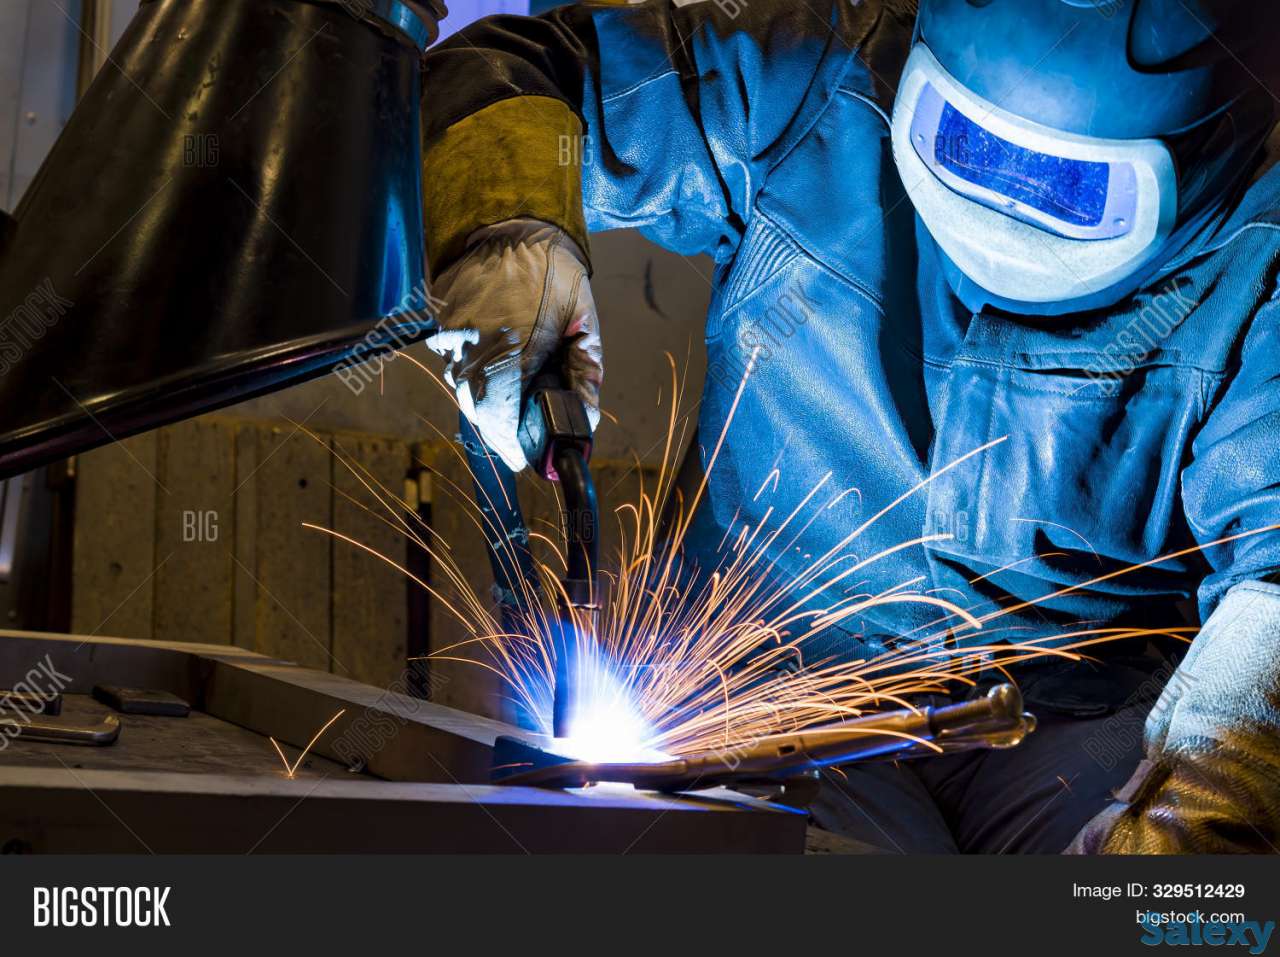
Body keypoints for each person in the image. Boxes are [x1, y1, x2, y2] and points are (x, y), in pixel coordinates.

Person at [421, 0, 1280, 852]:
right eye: (969, 149)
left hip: (1067, 716)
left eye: (1070, 188)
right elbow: (526, 68)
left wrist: (1208, 804)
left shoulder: (1263, 247)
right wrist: (504, 226)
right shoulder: (818, 83)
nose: (1010, 214)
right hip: (768, 681)